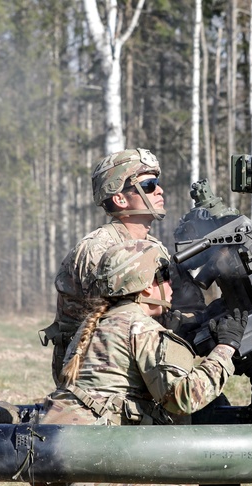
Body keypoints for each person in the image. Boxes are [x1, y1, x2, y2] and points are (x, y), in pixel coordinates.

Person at [36, 239, 247, 486]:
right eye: (164, 276)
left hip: (54, 460)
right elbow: (184, 396)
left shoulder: (97, 323)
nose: (170, 285)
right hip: (89, 464)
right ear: (145, 284)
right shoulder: (140, 327)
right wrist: (226, 348)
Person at [41, 148, 168, 385]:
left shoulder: (153, 247)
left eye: (158, 183)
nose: (160, 190)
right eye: (149, 185)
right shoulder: (97, 250)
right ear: (120, 199)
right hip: (98, 376)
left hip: (134, 360)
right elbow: (112, 325)